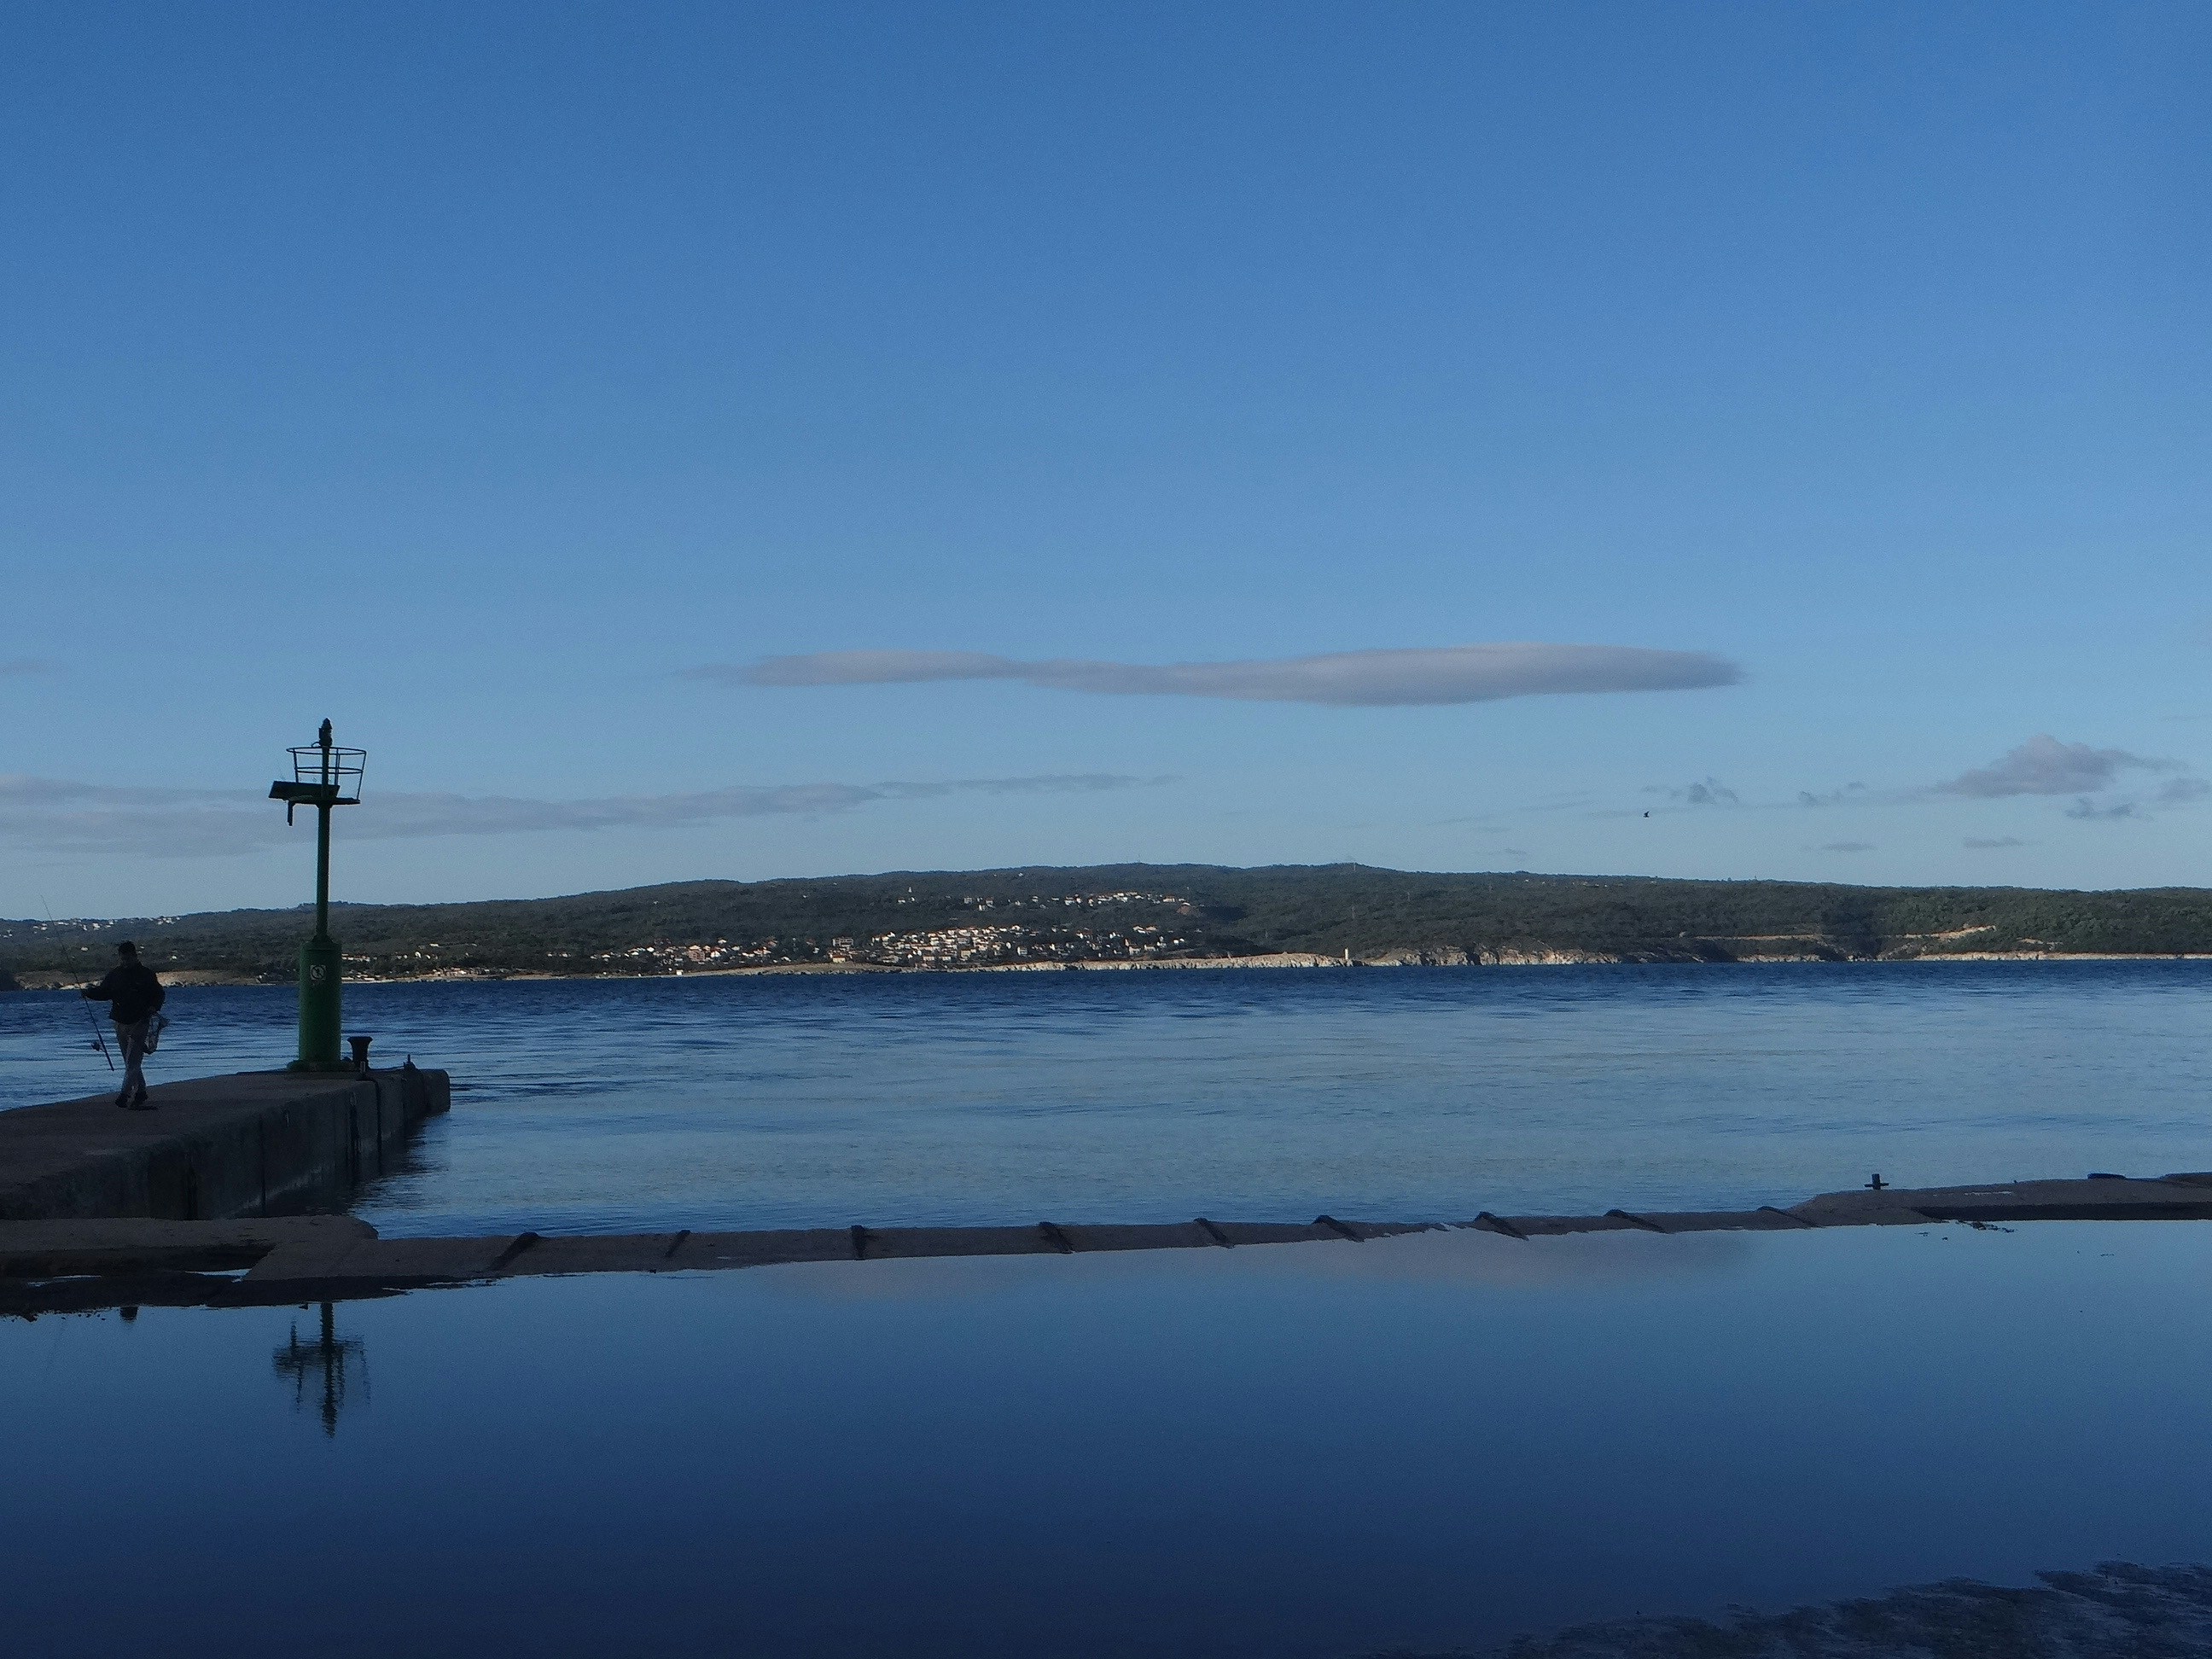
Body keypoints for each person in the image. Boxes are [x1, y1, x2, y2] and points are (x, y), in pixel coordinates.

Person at [82, 940, 166, 1109]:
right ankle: (141, 1092)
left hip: (140, 1022)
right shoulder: (115, 974)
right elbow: (104, 993)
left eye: (128, 959)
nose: (125, 962)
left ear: (135, 956)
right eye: (122, 959)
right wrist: (89, 993)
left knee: (133, 1061)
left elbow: (159, 995)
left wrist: (153, 1008)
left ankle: (124, 1094)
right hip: (119, 1022)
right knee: (129, 1062)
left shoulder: (146, 974)